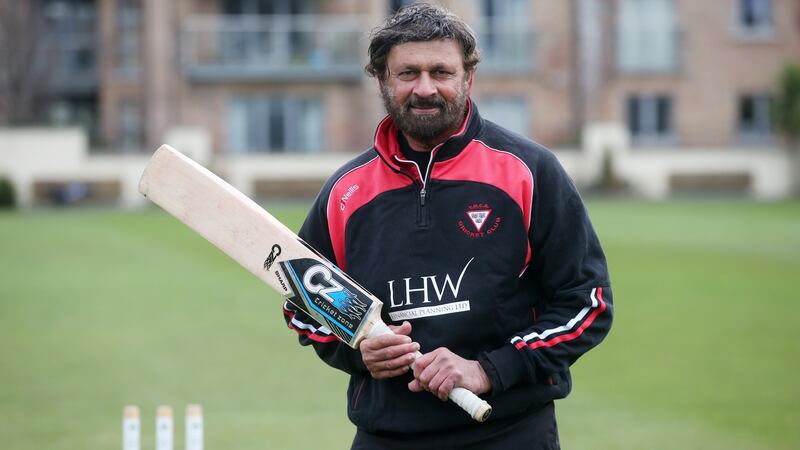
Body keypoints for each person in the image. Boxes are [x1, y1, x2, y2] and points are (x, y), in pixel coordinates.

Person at [282, 4, 613, 449]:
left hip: (509, 432)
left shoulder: (528, 171)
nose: (425, 88)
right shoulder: (346, 192)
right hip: (388, 436)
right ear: (382, 81)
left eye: (441, 72)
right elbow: (304, 304)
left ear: (468, 78)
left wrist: (490, 369)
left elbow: (587, 301)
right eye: (407, 73)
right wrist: (358, 347)